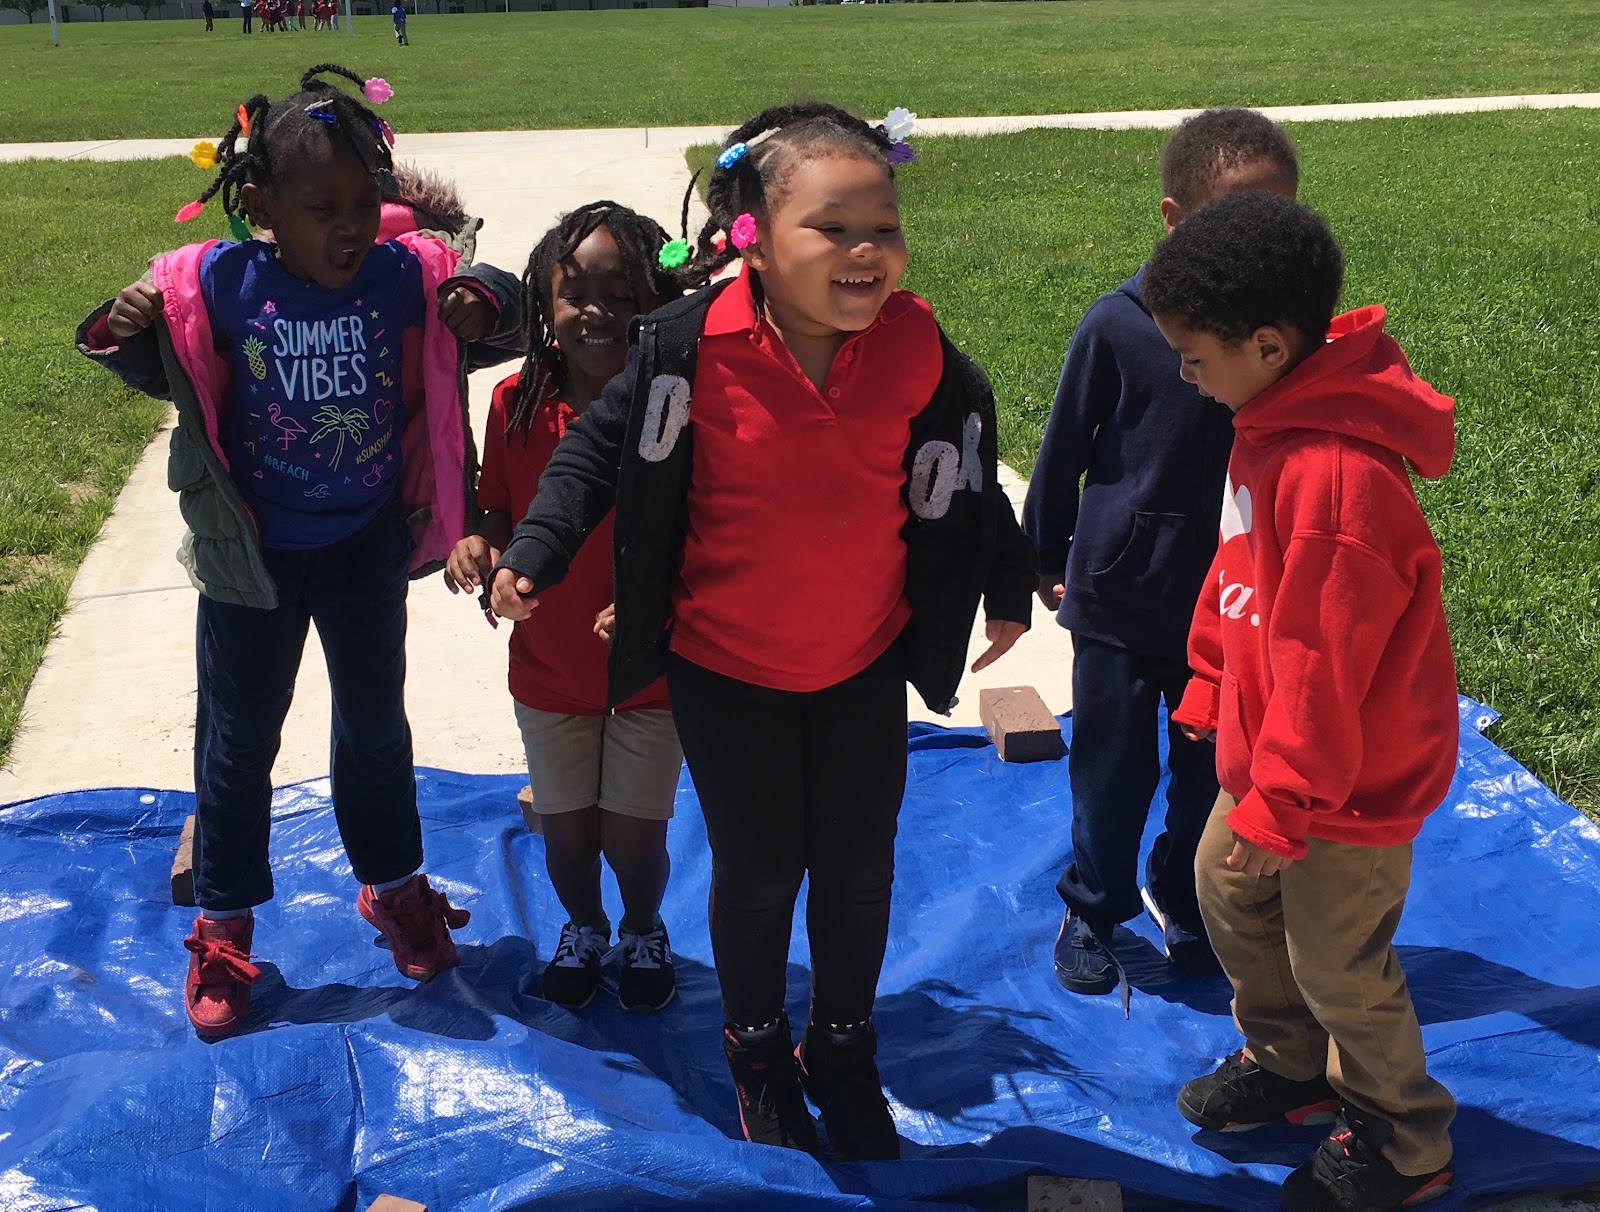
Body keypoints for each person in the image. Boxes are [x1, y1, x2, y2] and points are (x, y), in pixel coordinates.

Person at [486, 102, 1036, 1161]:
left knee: (858, 865)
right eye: (832, 229)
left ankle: (841, 1049)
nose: (866, 250)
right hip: (724, 665)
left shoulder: (916, 344)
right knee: (759, 865)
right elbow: (593, 460)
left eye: (884, 225)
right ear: (752, 238)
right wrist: (536, 550)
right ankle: (756, 1052)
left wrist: (1006, 582)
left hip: (860, 660)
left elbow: (968, 474)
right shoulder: (689, 352)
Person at [75, 65, 523, 1042]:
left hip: (364, 546)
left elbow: (495, 289)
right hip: (253, 560)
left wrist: (483, 301)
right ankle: (226, 928)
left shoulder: (408, 276)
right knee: (237, 744)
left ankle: (394, 889)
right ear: (258, 202)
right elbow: (153, 362)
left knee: (375, 727)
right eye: (322, 206)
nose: (350, 224)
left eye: (366, 201)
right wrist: (123, 325)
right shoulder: (218, 285)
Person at [1145, 191, 1458, 1212]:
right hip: (1276, 755)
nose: (1186, 379)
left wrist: (1283, 802)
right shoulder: (1265, 424)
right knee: (1224, 892)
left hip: (1343, 784)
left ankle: (1401, 1138)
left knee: (1339, 965)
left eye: (1195, 359)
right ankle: (1287, 1065)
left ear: (1269, 346)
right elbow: (1238, 574)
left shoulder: (1331, 477)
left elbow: (1324, 664)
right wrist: (1207, 675)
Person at [1022, 108, 1300, 998]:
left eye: (1279, 222)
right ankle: (1093, 905)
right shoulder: (1119, 324)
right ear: (1177, 220)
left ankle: (1182, 892)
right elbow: (1064, 446)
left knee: (1209, 769)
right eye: (1235, 220)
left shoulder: (1282, 339)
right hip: (1116, 592)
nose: (1259, 245)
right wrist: (1043, 553)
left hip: (1227, 603)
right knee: (1111, 765)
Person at [445, 203, 685, 1014]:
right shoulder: (514, 402)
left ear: (663, 302)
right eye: (573, 291)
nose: (597, 311)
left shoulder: (682, 410)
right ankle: (583, 924)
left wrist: (661, 597)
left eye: (623, 292)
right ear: (541, 309)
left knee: (634, 833)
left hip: (653, 671)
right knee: (569, 829)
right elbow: (497, 512)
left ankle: (643, 924)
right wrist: (480, 547)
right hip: (549, 666)